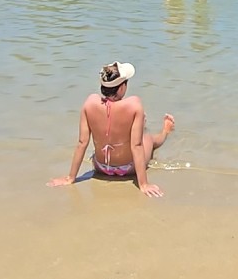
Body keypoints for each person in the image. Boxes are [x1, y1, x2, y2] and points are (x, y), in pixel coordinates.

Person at [48, 62, 173, 197]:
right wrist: (143, 184)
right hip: (129, 168)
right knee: (148, 138)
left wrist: (70, 178)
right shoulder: (134, 104)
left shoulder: (89, 102)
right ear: (120, 88)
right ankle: (166, 129)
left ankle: (142, 126)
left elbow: (82, 142)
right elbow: (136, 146)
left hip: (100, 167)